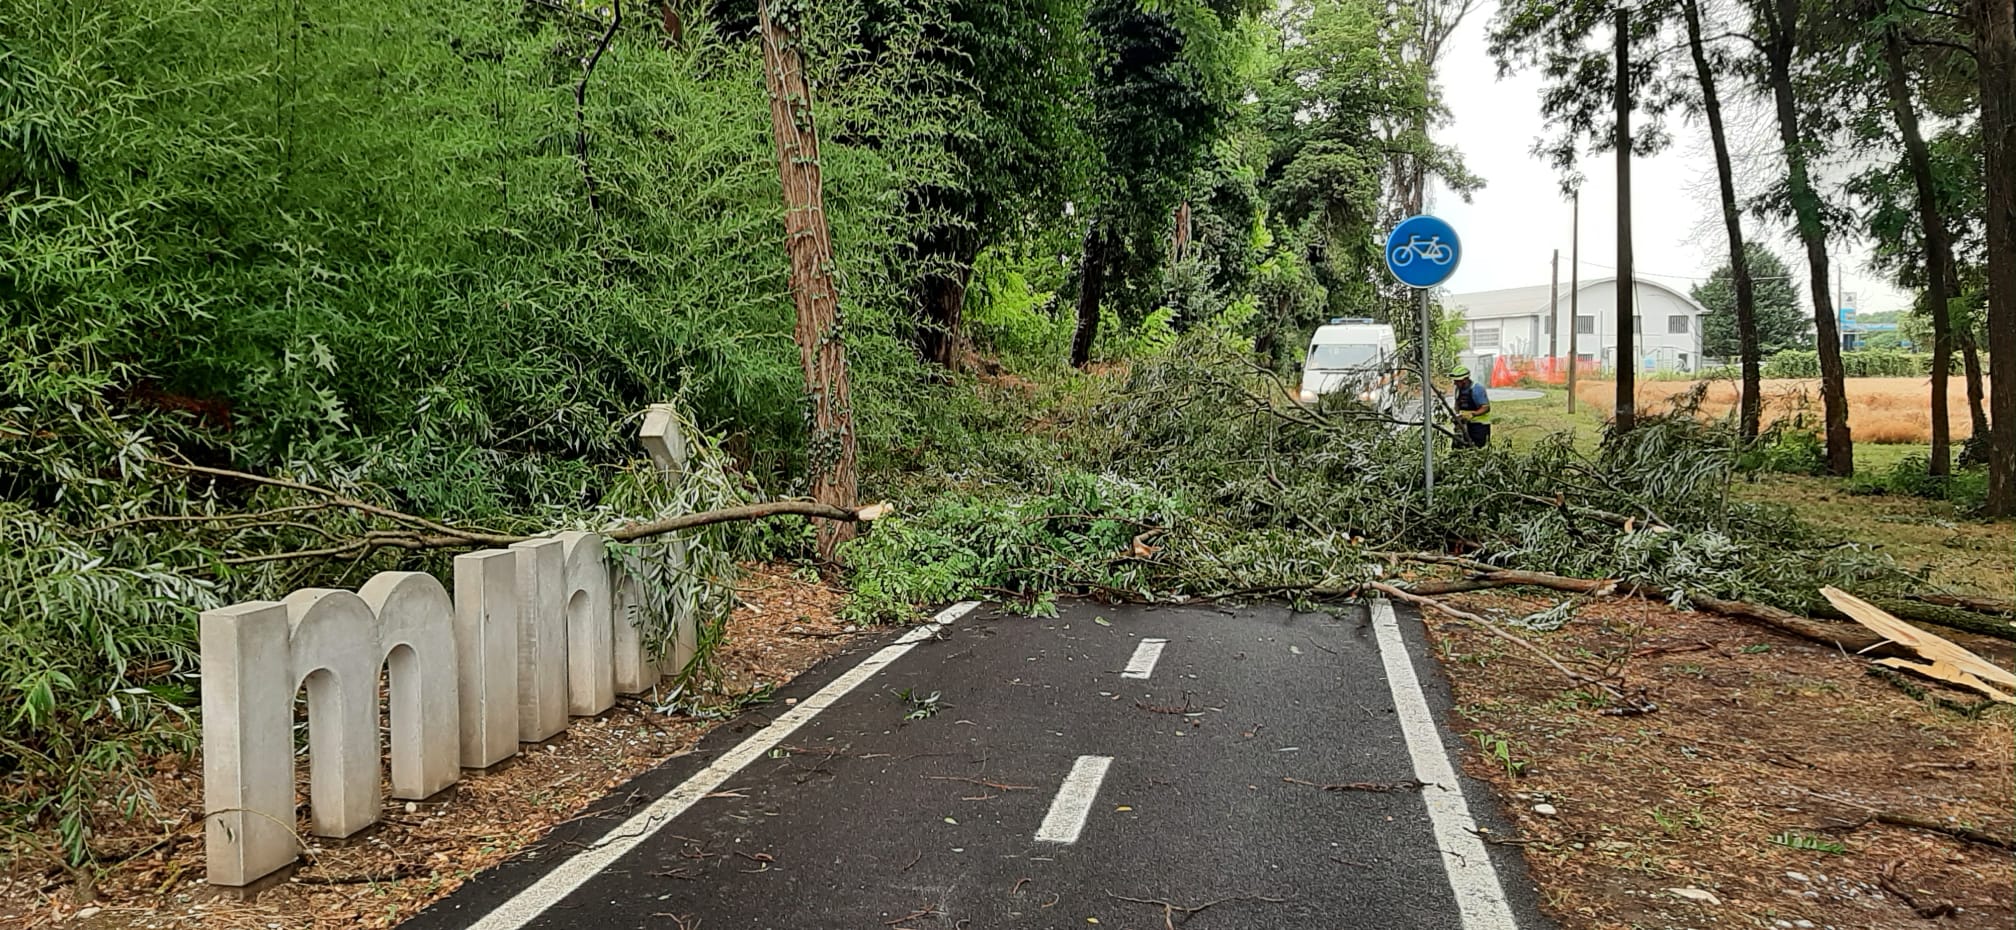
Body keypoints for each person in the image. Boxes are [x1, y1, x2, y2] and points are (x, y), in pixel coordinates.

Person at [1450, 366, 1492, 448]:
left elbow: (1486, 407)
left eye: (1457, 381)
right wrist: (1457, 415)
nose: (1455, 383)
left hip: (1479, 426)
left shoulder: (1477, 389)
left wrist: (1473, 414)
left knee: (1478, 449)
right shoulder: (1458, 389)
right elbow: (1457, 403)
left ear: (1465, 380)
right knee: (1459, 447)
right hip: (1464, 424)